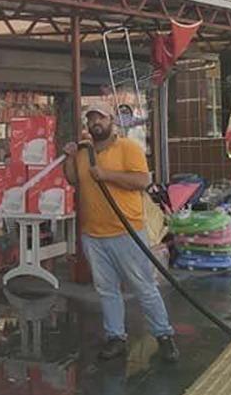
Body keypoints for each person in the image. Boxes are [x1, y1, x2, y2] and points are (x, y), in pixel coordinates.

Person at [63, 105, 180, 364]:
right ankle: (115, 336)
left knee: (143, 286)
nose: (95, 122)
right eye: (91, 118)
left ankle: (164, 335)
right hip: (93, 234)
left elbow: (142, 181)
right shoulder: (85, 153)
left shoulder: (128, 148)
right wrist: (69, 158)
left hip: (125, 231)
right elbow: (74, 180)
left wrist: (107, 175)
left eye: (100, 117)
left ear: (111, 120)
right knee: (106, 289)